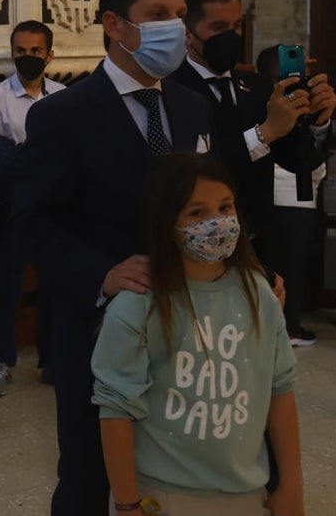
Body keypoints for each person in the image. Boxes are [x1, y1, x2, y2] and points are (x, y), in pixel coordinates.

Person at [10, 0, 215, 515]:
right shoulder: (64, 115)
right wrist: (99, 273)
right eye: (156, 16)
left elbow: (213, 205)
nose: (174, 28)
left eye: (178, 16)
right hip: (98, 327)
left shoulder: (193, 106)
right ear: (114, 25)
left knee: (173, 470)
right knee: (88, 473)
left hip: (190, 326)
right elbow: (29, 222)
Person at [93, 153, 302, 516]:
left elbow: (279, 389)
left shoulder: (259, 295)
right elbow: (115, 410)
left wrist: (292, 485)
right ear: (167, 223)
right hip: (162, 495)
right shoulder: (138, 305)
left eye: (225, 207)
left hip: (245, 493)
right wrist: (127, 504)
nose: (217, 223)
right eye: (196, 213)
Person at [171, 0, 336, 343]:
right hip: (198, 247)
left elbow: (299, 163)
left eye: (236, 25)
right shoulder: (171, 87)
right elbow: (199, 168)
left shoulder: (257, 87)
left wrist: (318, 122)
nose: (231, 36)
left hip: (257, 243)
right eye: (218, 26)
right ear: (188, 31)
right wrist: (265, 133)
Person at [0, 20, 65, 396]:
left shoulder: (61, 97)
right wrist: (6, 158)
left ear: (49, 54)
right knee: (8, 284)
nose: (28, 57)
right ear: (13, 53)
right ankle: (2, 361)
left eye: (35, 51)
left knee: (53, 284)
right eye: (21, 51)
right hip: (12, 205)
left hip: (52, 206)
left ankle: (51, 360)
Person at [257, 46, 330, 347]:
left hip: (298, 191)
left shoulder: (303, 105)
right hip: (286, 192)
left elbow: (314, 151)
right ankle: (289, 327)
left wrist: (320, 120)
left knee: (291, 264)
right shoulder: (269, 107)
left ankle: (288, 324)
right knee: (287, 265)